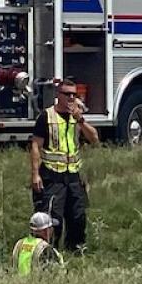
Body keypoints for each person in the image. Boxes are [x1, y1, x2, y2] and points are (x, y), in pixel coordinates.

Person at [30, 79, 99, 254]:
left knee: (77, 218)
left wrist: (80, 120)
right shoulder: (47, 117)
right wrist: (35, 174)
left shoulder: (77, 117)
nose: (70, 98)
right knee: (52, 219)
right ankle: (48, 254)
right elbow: (36, 146)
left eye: (73, 94)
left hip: (74, 177)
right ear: (57, 95)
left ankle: (75, 253)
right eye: (66, 94)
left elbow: (94, 139)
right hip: (52, 177)